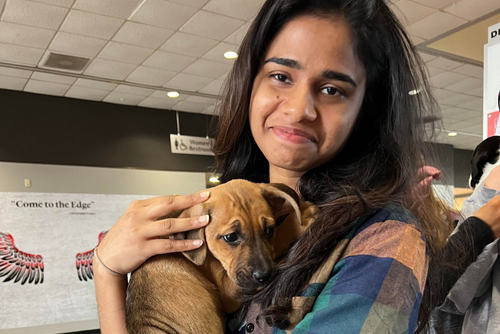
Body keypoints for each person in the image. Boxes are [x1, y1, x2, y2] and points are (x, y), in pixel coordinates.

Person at [93, 0, 454, 333]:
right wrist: (107, 271)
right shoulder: (235, 204)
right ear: (251, 83)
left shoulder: (386, 239)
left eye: (332, 90)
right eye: (281, 76)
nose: (298, 110)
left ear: (366, 111)